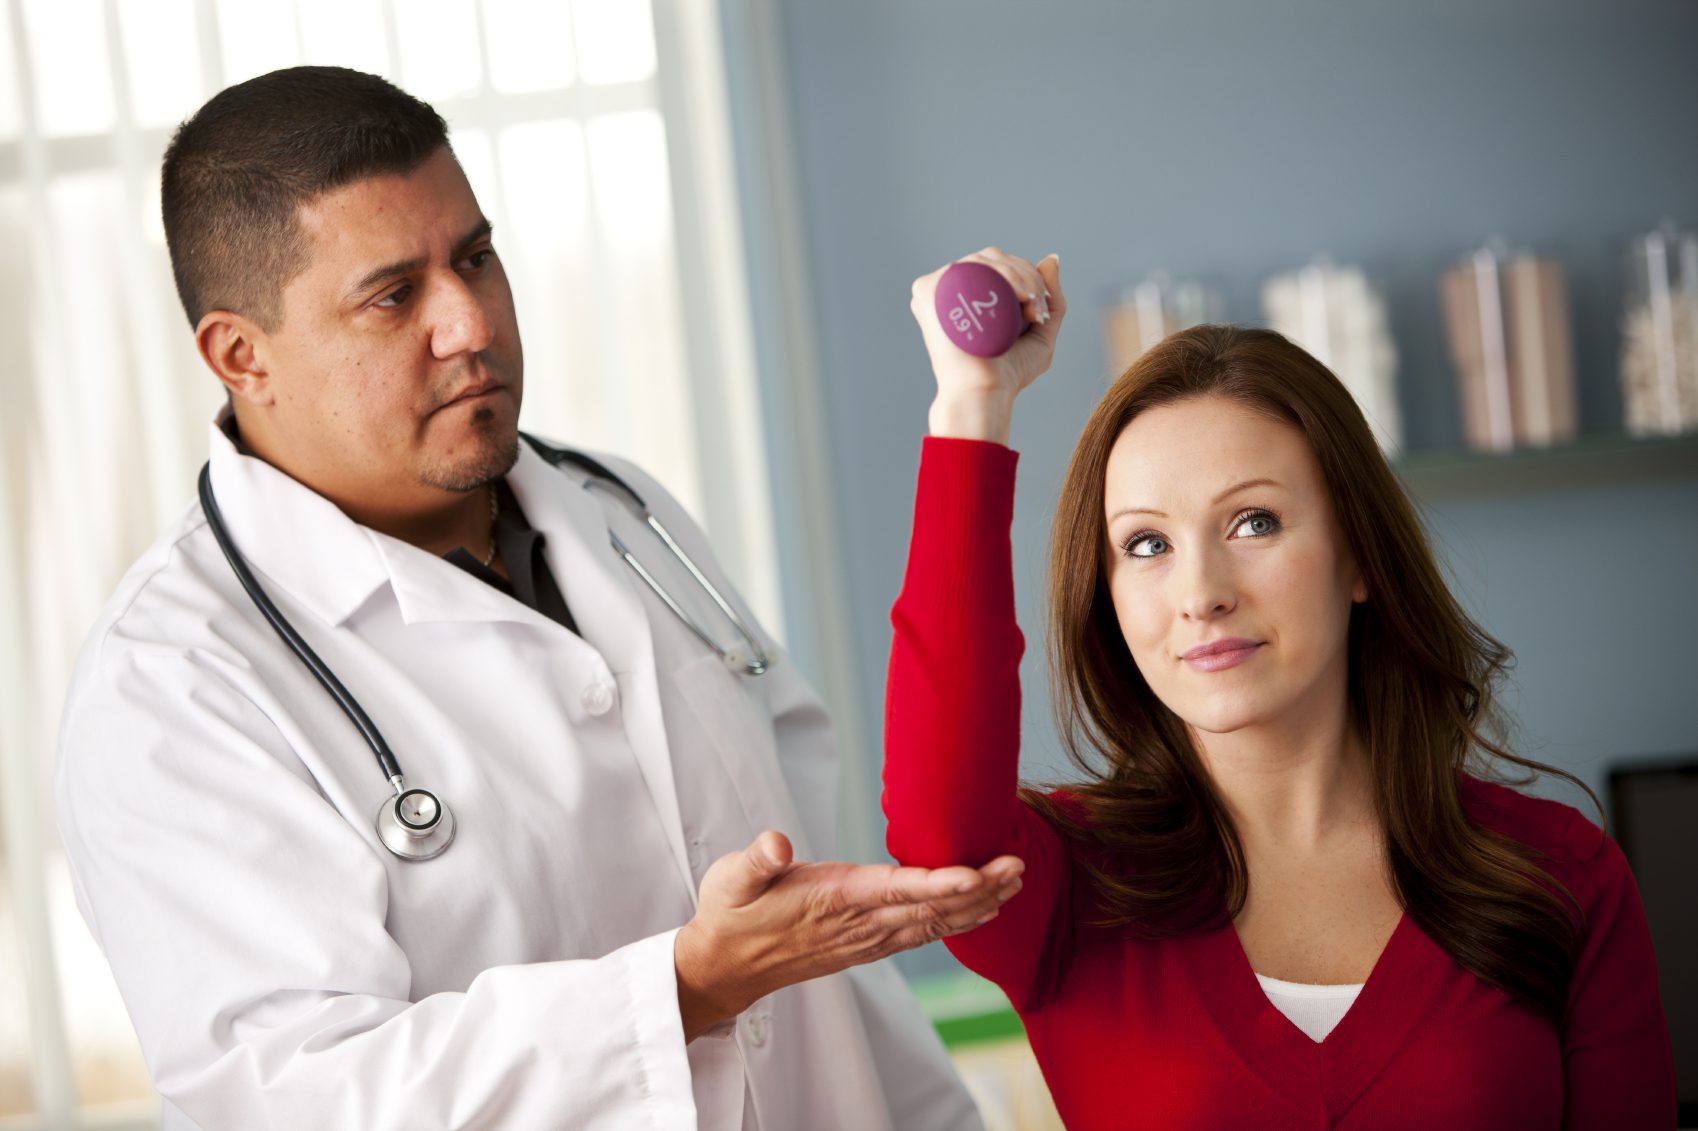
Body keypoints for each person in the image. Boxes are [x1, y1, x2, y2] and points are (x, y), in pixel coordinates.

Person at [55, 67, 1022, 1130]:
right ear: (241, 356)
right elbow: (301, 1094)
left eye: (475, 256)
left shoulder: (618, 510)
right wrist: (684, 991)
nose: (470, 323)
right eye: (394, 295)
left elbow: (829, 950)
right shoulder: (172, 689)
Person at [884, 248, 1676, 1129]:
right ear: (1105, 594)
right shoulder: (1073, 886)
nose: (1201, 592)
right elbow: (940, 838)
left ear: (1360, 555)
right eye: (1147, 544)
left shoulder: (1562, 874)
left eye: (1253, 522)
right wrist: (972, 405)